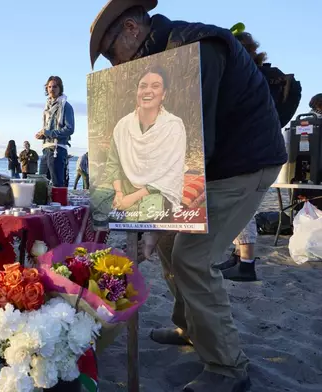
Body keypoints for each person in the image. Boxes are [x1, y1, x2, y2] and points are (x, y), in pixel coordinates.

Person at [90, 2, 286, 391]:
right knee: (165, 242)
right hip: (215, 165)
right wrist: (152, 220)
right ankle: (189, 325)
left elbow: (197, 146)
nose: (114, 67)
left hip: (244, 164)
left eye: (112, 54)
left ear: (130, 29)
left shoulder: (196, 47)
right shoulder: (162, 59)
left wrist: (157, 214)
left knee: (193, 257)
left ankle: (228, 367)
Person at [215, 30, 299, 282]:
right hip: (260, 154)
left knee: (238, 211)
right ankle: (239, 257)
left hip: (248, 156)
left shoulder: (248, 79)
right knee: (241, 210)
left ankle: (247, 263)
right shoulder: (265, 78)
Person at [105, 66, 186, 220]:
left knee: (150, 227)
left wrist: (133, 197)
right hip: (125, 189)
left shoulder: (173, 126)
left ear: (164, 94)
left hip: (159, 191)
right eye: (143, 86)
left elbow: (170, 174)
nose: (147, 91)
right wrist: (119, 193)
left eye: (155, 86)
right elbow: (113, 164)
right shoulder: (123, 125)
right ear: (137, 92)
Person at [36, 76, 75, 187]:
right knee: (41, 184)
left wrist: (48, 133)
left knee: (57, 184)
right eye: (49, 87)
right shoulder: (47, 108)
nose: (52, 89)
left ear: (60, 88)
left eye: (55, 86)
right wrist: (42, 134)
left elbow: (70, 129)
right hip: (45, 150)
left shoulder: (66, 106)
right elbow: (48, 128)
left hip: (58, 149)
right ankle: (44, 204)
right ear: (46, 89)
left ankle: (59, 203)